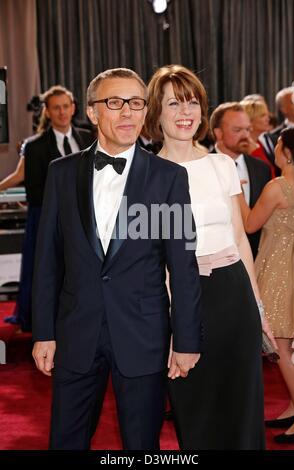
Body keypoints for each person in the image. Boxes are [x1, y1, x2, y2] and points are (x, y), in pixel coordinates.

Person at [31, 68, 204, 450]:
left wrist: (187, 339)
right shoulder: (61, 173)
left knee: (141, 445)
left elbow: (183, 265)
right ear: (92, 112)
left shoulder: (168, 177)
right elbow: (46, 261)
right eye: (115, 102)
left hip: (143, 333)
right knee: (65, 440)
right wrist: (43, 331)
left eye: (137, 103)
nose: (128, 112)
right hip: (76, 332)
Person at [144, 64, 276, 450]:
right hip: (182, 300)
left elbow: (238, 238)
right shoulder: (146, 174)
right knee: (195, 410)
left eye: (192, 103)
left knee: (242, 407)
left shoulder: (222, 165)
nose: (185, 113)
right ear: (156, 112)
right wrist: (169, 326)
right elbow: (155, 259)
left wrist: (259, 307)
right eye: (173, 104)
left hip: (233, 295)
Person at [4, 85, 94, 332]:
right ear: (48, 111)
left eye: (66, 106)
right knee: (44, 269)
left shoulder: (88, 137)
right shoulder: (34, 146)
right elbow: (20, 175)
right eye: (56, 108)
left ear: (73, 108)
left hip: (85, 218)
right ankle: (40, 320)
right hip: (48, 217)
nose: (63, 112)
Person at [239, 127, 294, 444]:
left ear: (287, 153)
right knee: (292, 346)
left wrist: (236, 193)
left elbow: (250, 223)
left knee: (282, 347)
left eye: (277, 144)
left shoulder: (278, 186)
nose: (274, 148)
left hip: (277, 270)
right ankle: (293, 407)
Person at [210, 102, 271, 258]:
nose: (245, 135)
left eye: (247, 129)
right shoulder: (202, 167)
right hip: (215, 259)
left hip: (256, 257)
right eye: (237, 130)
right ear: (218, 133)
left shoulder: (262, 168)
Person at [240, 99, 277, 178]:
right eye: (262, 115)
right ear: (250, 120)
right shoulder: (243, 145)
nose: (268, 119)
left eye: (267, 115)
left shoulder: (259, 143)